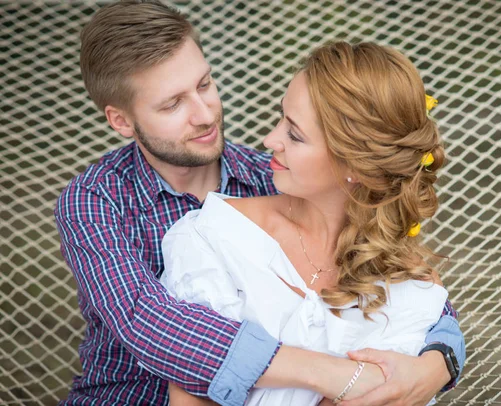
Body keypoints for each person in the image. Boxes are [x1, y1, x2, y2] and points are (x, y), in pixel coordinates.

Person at [54, 1, 466, 405]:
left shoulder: (274, 177)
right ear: (121, 121)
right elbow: (148, 321)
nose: (205, 114)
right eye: (173, 104)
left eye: (204, 84)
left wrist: (438, 363)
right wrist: (341, 377)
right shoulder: (94, 201)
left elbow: (405, 284)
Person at [160, 41, 455, 406]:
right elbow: (192, 390)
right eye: (282, 118)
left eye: (295, 134)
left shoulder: (410, 285)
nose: (270, 140)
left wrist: (438, 364)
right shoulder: (213, 236)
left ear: (355, 167)